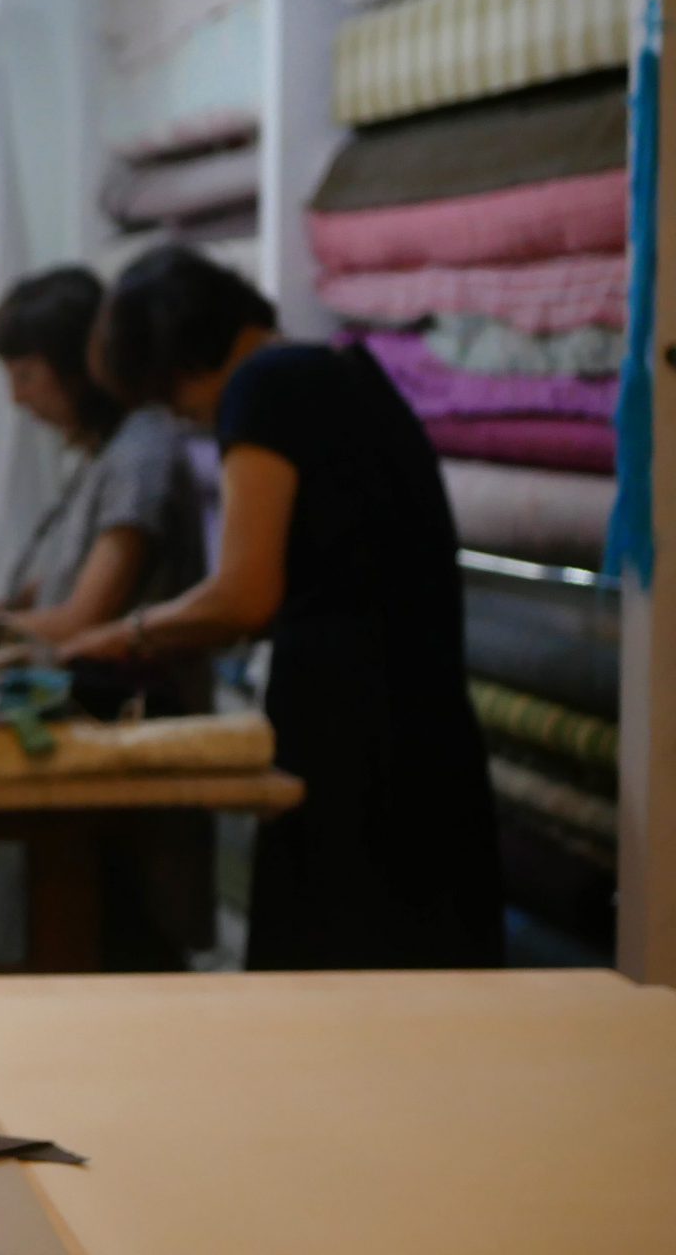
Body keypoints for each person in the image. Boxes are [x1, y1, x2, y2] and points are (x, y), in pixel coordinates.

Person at [63, 246, 503, 970]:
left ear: (177, 362)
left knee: (331, 980)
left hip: (352, 743)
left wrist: (122, 634)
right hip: (424, 728)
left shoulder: (264, 388)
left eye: (173, 402)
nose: (187, 419)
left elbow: (245, 595)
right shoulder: (343, 373)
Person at [0, 266, 210, 711]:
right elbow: (55, 592)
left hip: (137, 717)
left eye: (26, 375)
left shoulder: (141, 452)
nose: (17, 397)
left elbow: (81, 621)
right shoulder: (102, 454)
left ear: (75, 368)